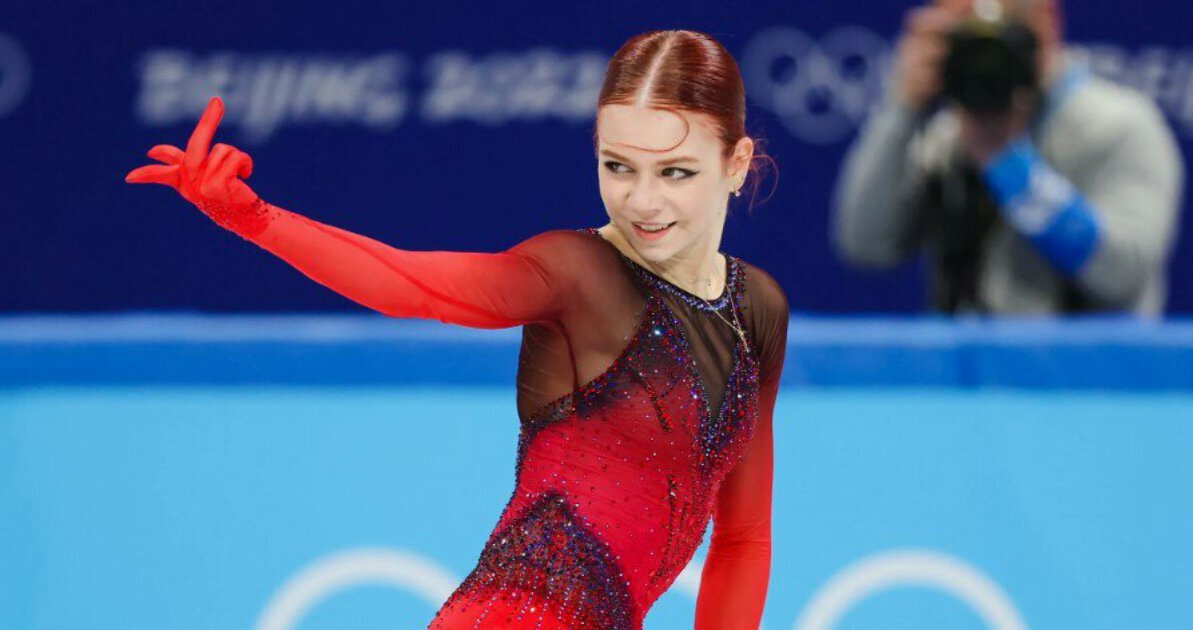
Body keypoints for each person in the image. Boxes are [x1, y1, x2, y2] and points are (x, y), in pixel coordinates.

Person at [125, 30, 788, 630]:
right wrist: (255, 218)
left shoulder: (756, 309)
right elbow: (410, 284)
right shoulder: (576, 272)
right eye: (619, 167)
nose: (642, 200)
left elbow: (742, 539)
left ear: (735, 164)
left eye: (675, 172)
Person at [833, 0, 1184, 315]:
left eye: (1000, 29)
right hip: (965, 366)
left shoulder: (1120, 127)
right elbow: (865, 244)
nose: (985, 55)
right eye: (967, 34)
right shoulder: (948, 136)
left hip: (1085, 366)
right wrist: (902, 110)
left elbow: (1123, 274)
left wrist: (1006, 163)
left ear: (1046, 20)